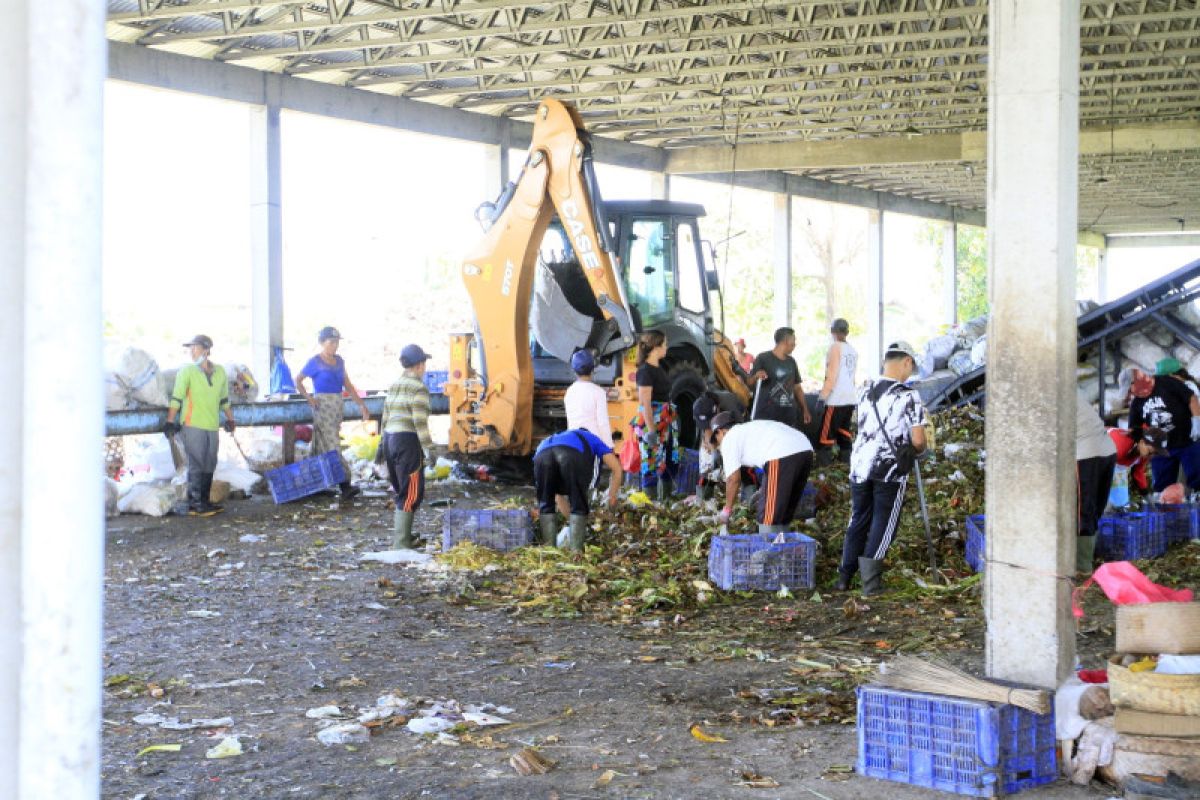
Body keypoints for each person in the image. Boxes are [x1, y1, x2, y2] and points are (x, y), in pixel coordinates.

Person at [837, 341, 929, 596]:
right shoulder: (908, 395)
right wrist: (919, 451)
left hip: (860, 466)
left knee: (858, 518)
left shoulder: (864, 390)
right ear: (906, 362)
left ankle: (844, 577)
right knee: (883, 521)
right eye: (911, 368)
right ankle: (870, 583)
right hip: (889, 469)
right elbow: (919, 440)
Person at [294, 326, 371, 499]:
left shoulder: (339, 361)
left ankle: (316, 485)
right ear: (322, 343)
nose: (334, 346)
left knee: (321, 445)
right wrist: (309, 398)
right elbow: (298, 380)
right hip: (323, 406)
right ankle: (345, 484)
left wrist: (361, 405)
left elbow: (348, 385)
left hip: (336, 406)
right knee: (332, 444)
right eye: (331, 342)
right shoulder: (315, 361)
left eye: (336, 342)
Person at [164, 335, 236, 515]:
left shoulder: (219, 372)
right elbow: (177, 398)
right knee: (196, 463)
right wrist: (170, 422)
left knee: (210, 463)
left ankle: (204, 501)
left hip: (212, 425)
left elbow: (224, 400)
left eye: (194, 348)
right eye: (190, 349)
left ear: (206, 349)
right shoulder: (187, 371)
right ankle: (195, 504)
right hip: (192, 424)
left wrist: (230, 419)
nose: (191, 352)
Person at [712, 412, 814, 533]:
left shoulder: (729, 438)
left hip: (782, 452)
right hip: (806, 449)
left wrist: (726, 510)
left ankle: (768, 549)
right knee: (784, 512)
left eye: (716, 439)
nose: (718, 443)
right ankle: (783, 546)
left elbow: (733, 479)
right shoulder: (748, 430)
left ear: (721, 431)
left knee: (768, 516)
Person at [382, 344, 436, 549]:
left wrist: (381, 448)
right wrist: (429, 448)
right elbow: (419, 422)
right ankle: (401, 542)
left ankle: (404, 537)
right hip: (407, 441)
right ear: (420, 365)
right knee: (412, 491)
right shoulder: (419, 388)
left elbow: (385, 417)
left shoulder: (395, 385)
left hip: (390, 439)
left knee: (402, 489)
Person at [533, 427, 623, 551]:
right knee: (578, 503)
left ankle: (550, 553)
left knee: (546, 504)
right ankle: (576, 553)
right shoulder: (591, 437)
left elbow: (557, 496)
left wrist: (571, 521)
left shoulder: (557, 437)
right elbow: (617, 468)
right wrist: (612, 496)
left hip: (541, 454)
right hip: (571, 455)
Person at [1128, 366, 1200, 492]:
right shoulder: (1137, 403)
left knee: (1197, 476)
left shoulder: (1167, 382)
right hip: (1161, 447)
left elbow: (1191, 398)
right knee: (1162, 486)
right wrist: (1141, 443)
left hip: (1188, 438)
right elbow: (1134, 429)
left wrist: (1197, 421)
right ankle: (1165, 508)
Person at [633, 330, 678, 500]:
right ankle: (649, 506)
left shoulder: (658, 367)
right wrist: (651, 430)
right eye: (664, 344)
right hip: (652, 423)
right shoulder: (645, 371)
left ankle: (664, 501)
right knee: (650, 464)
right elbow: (645, 403)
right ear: (655, 347)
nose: (666, 347)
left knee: (666, 461)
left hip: (665, 422)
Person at [1076, 392, 1118, 575]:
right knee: (1093, 509)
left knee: (1083, 510)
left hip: (1087, 453)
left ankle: (1082, 567)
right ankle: (1088, 559)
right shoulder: (1071, 388)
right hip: (1108, 449)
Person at [747, 327, 813, 429]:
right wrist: (756, 376)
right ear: (786, 341)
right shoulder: (763, 358)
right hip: (766, 417)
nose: (795, 344)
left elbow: (797, 388)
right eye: (793, 340)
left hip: (788, 417)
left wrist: (805, 409)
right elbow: (749, 383)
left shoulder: (791, 361)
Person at [815, 318, 858, 465]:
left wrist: (822, 397)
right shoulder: (852, 351)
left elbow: (831, 376)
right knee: (844, 434)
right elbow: (851, 378)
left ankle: (824, 471)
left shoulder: (835, 348)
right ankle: (846, 466)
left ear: (832, 331)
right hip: (850, 399)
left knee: (825, 437)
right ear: (847, 332)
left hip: (836, 400)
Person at [563, 350, 612, 447]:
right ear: (593, 369)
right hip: (593, 444)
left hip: (573, 441)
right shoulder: (598, 392)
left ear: (574, 371)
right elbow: (603, 423)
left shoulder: (569, 392)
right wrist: (609, 447)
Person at [1108, 425, 1168, 494]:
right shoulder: (1119, 447)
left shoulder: (1143, 453)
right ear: (1142, 442)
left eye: (1156, 453)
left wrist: (1145, 493)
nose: (1152, 456)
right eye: (1151, 452)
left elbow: (1138, 471)